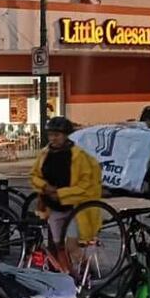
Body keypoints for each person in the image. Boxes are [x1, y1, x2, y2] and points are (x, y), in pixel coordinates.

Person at [29, 116, 103, 278]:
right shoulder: (45, 153)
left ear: (66, 135)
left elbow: (85, 185)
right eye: (51, 135)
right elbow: (34, 175)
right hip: (53, 208)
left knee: (72, 246)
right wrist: (45, 187)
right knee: (59, 246)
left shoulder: (78, 156)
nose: (53, 138)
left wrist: (60, 194)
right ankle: (69, 276)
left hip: (74, 208)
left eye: (57, 135)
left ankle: (88, 274)